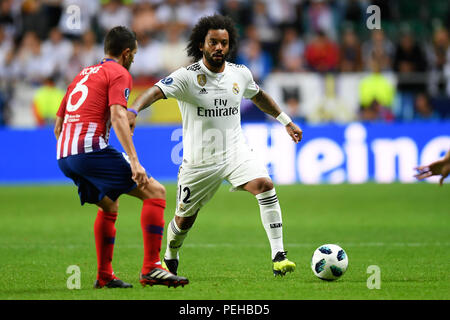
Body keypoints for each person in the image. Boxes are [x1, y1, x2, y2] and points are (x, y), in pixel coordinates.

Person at [128, 15, 303, 277]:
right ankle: (171, 254)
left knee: (264, 185)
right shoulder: (187, 77)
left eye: (224, 43)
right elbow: (155, 91)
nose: (219, 47)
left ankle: (279, 255)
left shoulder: (240, 73)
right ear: (202, 45)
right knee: (184, 220)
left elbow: (259, 96)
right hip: (199, 162)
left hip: (235, 152)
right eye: (213, 42)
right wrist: (133, 110)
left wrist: (286, 121)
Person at [54, 26, 188, 289]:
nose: (134, 59)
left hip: (64, 155)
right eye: (134, 55)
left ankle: (104, 276)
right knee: (155, 192)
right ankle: (151, 267)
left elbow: (58, 125)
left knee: (109, 206)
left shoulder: (82, 75)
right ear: (126, 53)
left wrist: (73, 154)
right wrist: (135, 162)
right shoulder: (119, 73)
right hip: (90, 150)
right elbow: (117, 116)